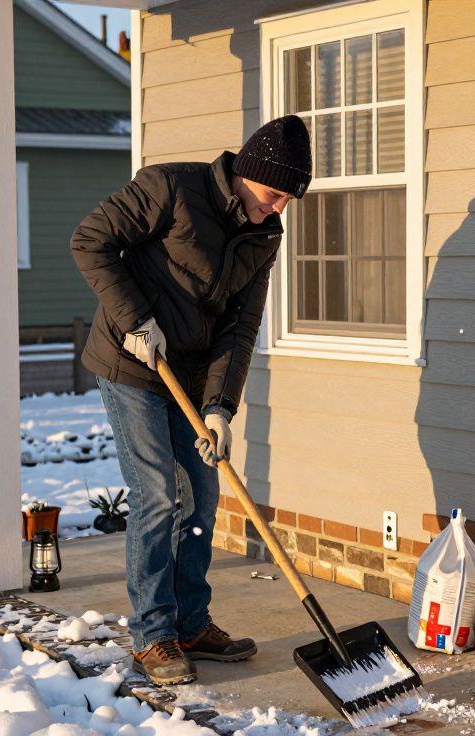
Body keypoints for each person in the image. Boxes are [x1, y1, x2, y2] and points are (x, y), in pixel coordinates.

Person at [69, 115, 312, 685]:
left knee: (200, 498)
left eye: (287, 201)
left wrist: (220, 406)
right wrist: (134, 320)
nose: (280, 210)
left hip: (191, 374)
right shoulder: (171, 187)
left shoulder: (263, 235)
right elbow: (90, 240)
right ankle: (154, 635)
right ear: (249, 175)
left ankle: (191, 622)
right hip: (132, 361)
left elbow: (241, 325)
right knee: (157, 494)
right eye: (276, 195)